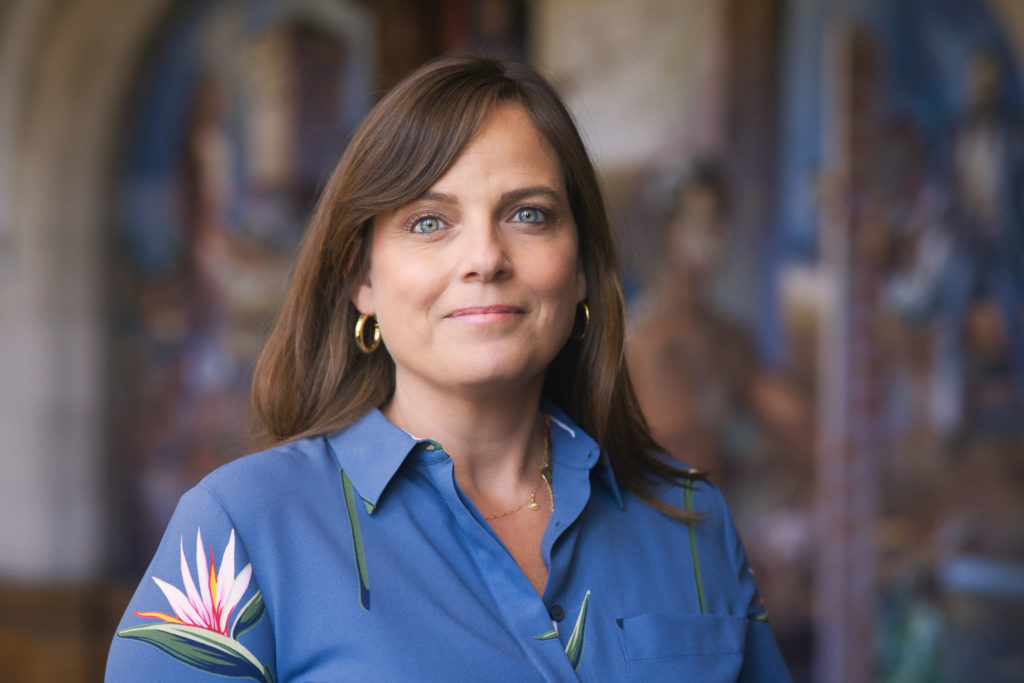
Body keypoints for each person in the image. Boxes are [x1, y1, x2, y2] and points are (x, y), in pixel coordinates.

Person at [106, 56, 791, 681]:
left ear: (582, 269)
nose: (485, 258)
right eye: (430, 222)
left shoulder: (691, 522)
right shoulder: (241, 530)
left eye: (529, 214)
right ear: (361, 279)